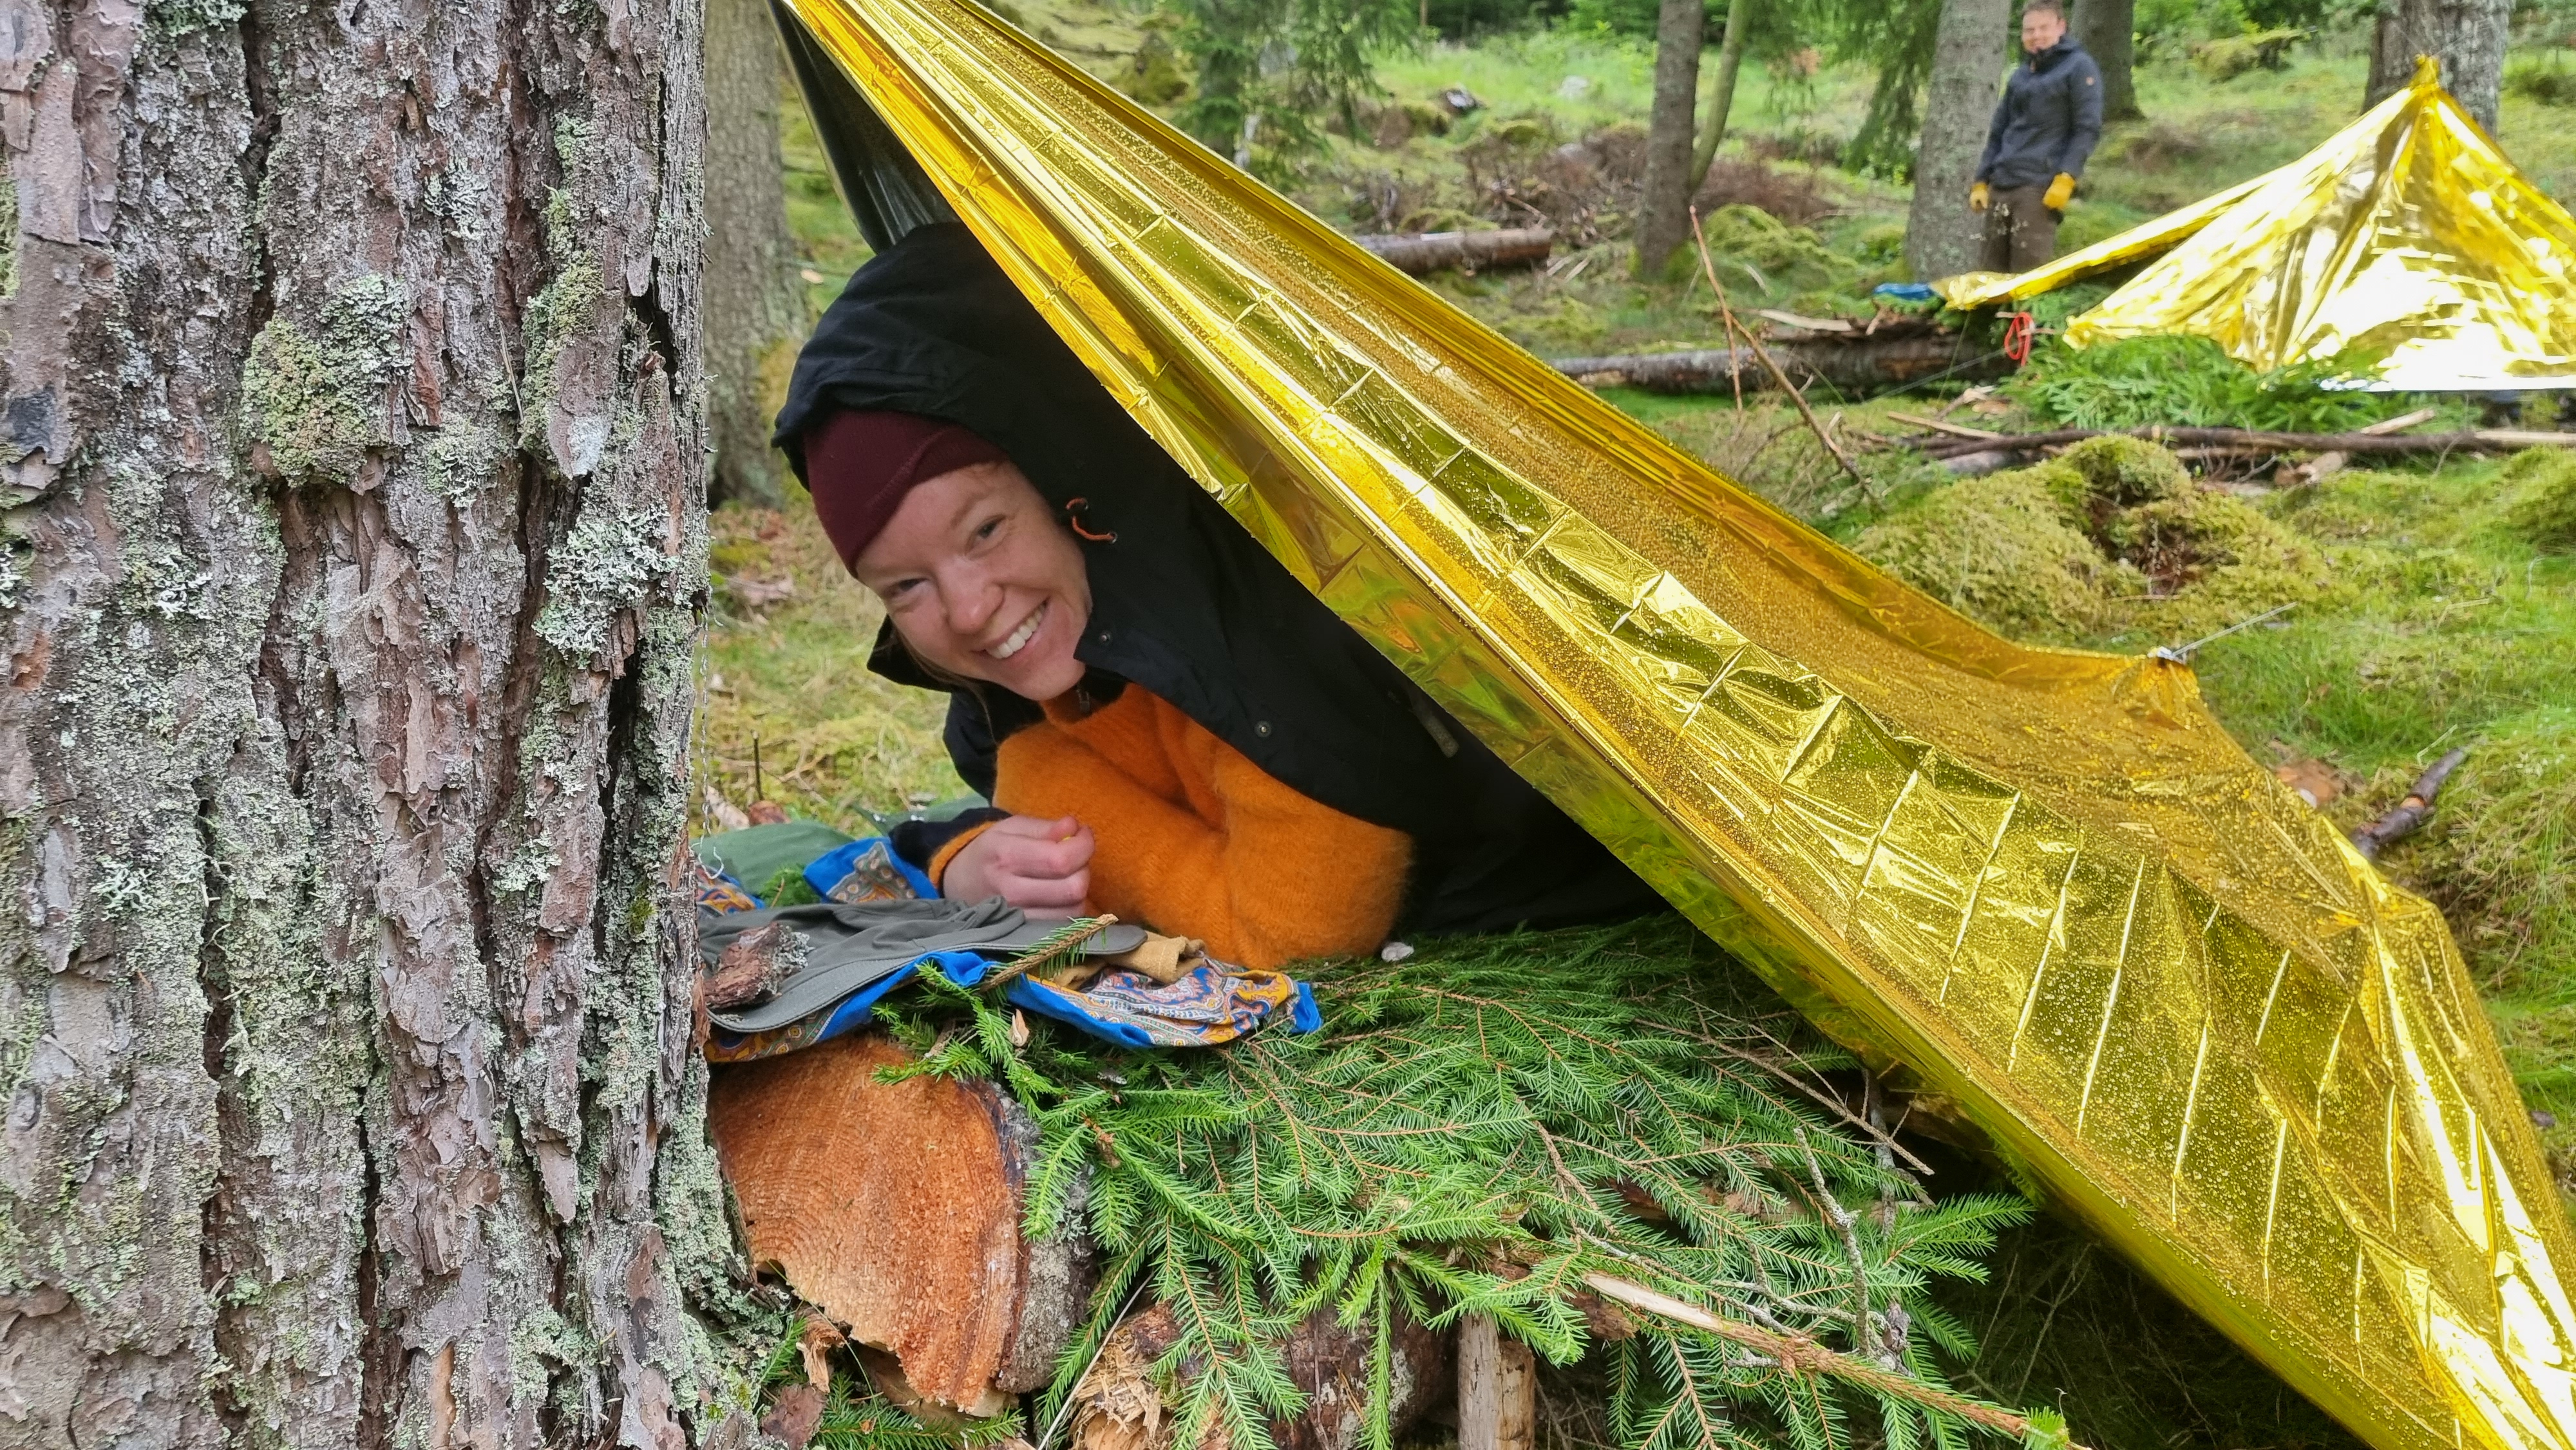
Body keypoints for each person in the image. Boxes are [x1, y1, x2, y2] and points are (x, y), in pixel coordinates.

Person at [772, 223, 1663, 971]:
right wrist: (961, 860)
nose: (968, 611)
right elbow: (1022, 823)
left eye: (985, 531)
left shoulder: (1258, 632)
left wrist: (1046, 787)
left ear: (1069, 488)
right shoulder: (1009, 689)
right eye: (906, 585)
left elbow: (1295, 935)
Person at [1970, 0, 2103, 274]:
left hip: (2039, 189)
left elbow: (2086, 128)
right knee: (1989, 277)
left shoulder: (2079, 67)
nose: (2036, 36)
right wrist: (1981, 180)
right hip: (2002, 183)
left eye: (2044, 28)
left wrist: (2067, 177)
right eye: (2029, 30)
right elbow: (1998, 131)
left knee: (2027, 278)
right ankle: (1990, 318)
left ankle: (2024, 319)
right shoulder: (2020, 75)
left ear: (2061, 27)